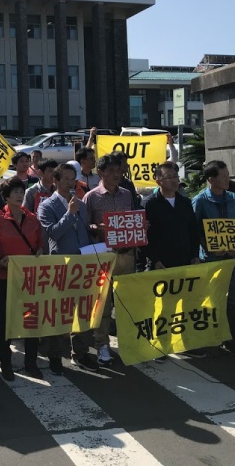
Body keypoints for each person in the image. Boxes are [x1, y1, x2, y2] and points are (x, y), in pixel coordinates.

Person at [0, 177, 45, 381]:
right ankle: (6, 363)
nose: (19, 195)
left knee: (31, 319)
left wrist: (40, 252)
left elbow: (41, 245)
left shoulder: (33, 218)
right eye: (15, 192)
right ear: (6, 197)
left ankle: (31, 363)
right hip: (5, 278)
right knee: (6, 322)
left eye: (21, 191)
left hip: (30, 278)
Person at [37, 163, 98, 372]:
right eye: (65, 179)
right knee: (58, 312)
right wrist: (69, 213)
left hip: (82, 264)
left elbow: (83, 232)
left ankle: (80, 352)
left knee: (81, 310)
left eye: (73, 179)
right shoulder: (47, 206)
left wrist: (95, 229)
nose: (70, 183)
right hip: (60, 265)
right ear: (55, 181)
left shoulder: (80, 203)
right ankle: (54, 355)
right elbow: (53, 233)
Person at [83, 152, 136, 366]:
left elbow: (131, 218)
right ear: (100, 172)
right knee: (103, 305)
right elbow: (85, 227)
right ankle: (102, 345)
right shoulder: (91, 197)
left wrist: (139, 226)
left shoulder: (126, 194)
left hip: (126, 255)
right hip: (103, 257)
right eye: (112, 171)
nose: (117, 174)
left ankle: (127, 343)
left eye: (119, 170)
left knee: (126, 303)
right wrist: (98, 228)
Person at [192, 160, 235, 355]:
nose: (227, 180)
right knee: (211, 299)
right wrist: (208, 247)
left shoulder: (234, 199)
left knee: (234, 299)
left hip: (233, 258)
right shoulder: (200, 201)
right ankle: (212, 337)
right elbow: (195, 230)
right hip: (211, 259)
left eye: (227, 176)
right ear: (211, 179)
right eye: (223, 177)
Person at [144, 161, 199, 270]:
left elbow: (193, 230)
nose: (174, 180)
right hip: (161, 263)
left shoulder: (185, 202)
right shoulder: (150, 204)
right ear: (158, 181)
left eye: (175, 177)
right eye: (169, 177)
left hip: (185, 261)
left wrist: (195, 255)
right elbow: (146, 235)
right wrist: (155, 260)